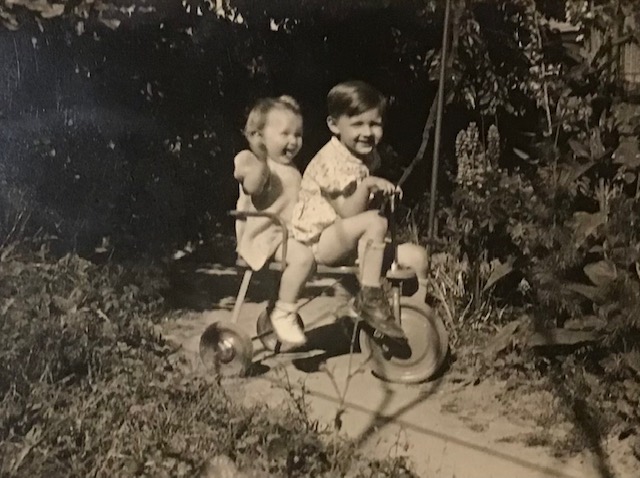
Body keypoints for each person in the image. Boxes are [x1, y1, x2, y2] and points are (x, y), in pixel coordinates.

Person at [290, 80, 429, 335]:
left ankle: (416, 322)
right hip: (323, 241)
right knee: (376, 221)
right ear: (334, 126)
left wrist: (382, 195)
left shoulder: (366, 156)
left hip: (355, 241)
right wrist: (368, 186)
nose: (368, 132)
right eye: (357, 124)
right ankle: (369, 296)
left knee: (417, 257)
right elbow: (349, 213)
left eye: (375, 124)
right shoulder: (330, 162)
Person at [234, 95, 314, 346]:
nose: (293, 141)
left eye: (298, 134)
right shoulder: (251, 161)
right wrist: (260, 158)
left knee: (318, 255)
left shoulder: (292, 170)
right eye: (285, 134)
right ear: (259, 137)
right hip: (264, 236)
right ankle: (284, 311)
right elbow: (253, 186)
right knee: (303, 259)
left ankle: (278, 309)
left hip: (286, 236)